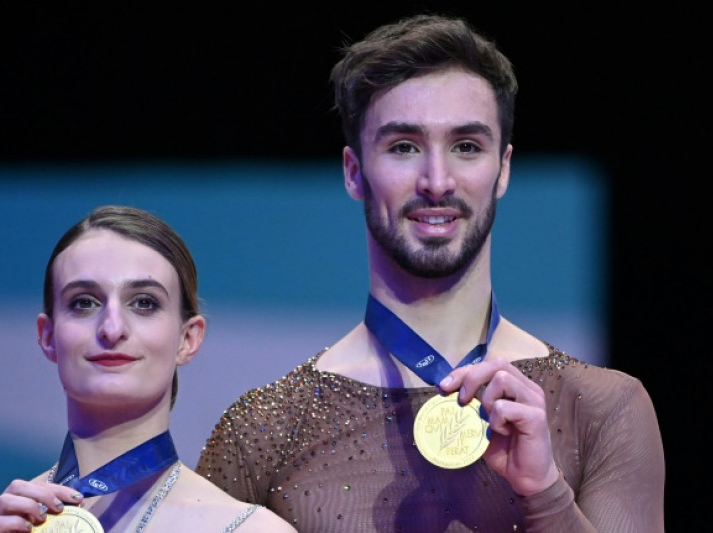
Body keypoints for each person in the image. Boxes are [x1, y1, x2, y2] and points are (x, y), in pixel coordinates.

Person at [196, 14, 665, 532]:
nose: (437, 181)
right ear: (354, 172)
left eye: (467, 146)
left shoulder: (603, 409)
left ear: (503, 168)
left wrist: (546, 495)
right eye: (404, 147)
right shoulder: (263, 429)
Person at [0, 205, 296, 533]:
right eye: (83, 303)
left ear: (187, 339)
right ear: (48, 336)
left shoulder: (251, 530)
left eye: (144, 303)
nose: (112, 329)